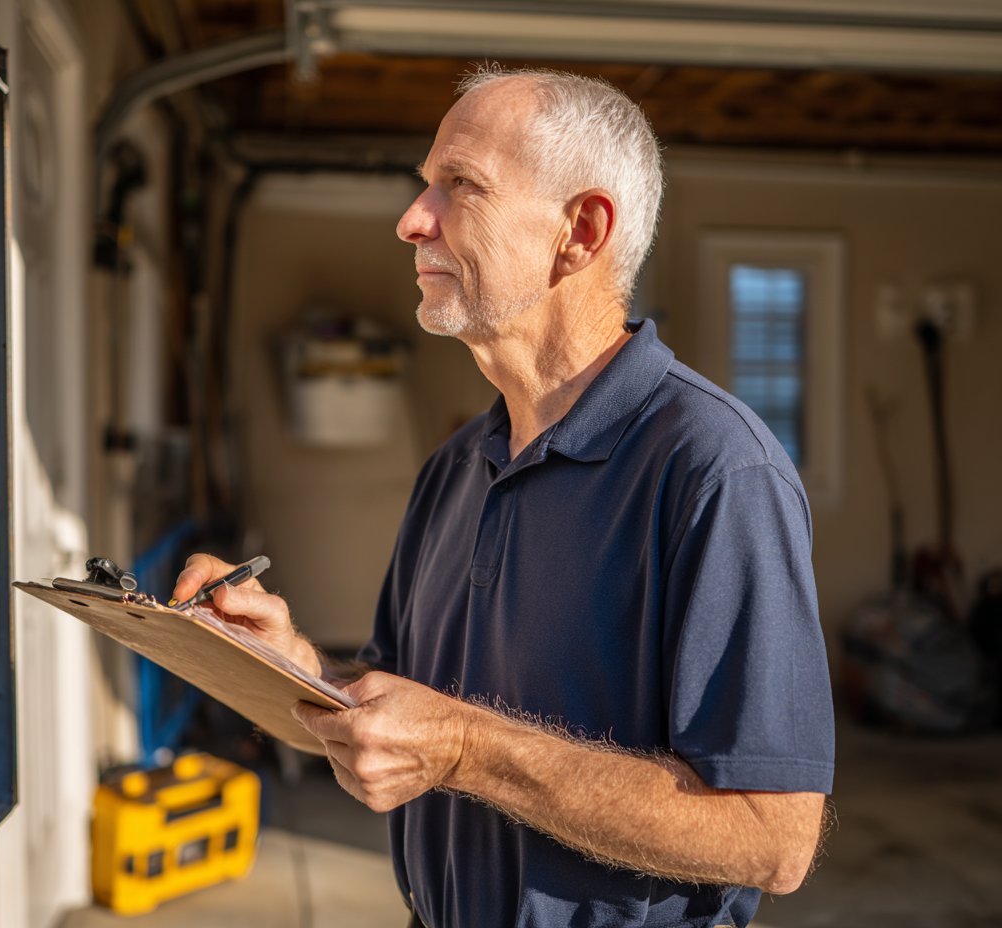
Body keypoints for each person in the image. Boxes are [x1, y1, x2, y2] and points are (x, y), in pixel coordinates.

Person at [172, 65, 834, 928]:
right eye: (423, 189)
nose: (412, 221)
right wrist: (292, 662)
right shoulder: (456, 465)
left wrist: (465, 749)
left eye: (460, 187)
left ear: (580, 232)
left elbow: (773, 837)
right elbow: (400, 715)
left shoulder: (716, 469)